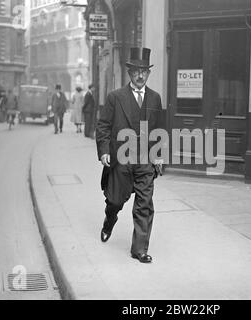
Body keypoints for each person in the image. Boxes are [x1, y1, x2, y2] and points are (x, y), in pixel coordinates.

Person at [96, 47, 163, 264]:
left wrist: (158, 155)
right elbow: (104, 125)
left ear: (148, 73)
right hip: (121, 159)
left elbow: (158, 130)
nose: (140, 75)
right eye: (136, 71)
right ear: (129, 73)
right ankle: (109, 220)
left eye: (144, 71)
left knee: (144, 204)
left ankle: (139, 249)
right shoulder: (115, 97)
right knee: (115, 200)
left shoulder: (155, 98)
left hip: (144, 161)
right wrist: (104, 151)